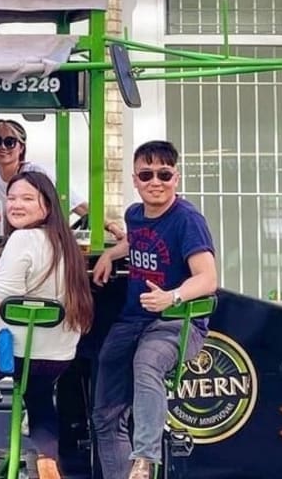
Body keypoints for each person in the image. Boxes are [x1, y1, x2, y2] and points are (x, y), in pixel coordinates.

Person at [0, 171, 93, 479]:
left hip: (11, 351)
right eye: (11, 198)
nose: (16, 205)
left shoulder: (22, 238)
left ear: (47, 205)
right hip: (57, 356)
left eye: (27, 198)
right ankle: (47, 461)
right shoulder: (67, 243)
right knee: (38, 395)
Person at [92, 140, 218, 479]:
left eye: (164, 174)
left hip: (178, 322)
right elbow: (134, 239)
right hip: (133, 319)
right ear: (135, 179)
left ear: (176, 177)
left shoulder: (188, 220)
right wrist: (109, 255)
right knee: (105, 412)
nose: (155, 182)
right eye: (146, 175)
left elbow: (208, 278)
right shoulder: (135, 214)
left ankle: (144, 459)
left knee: (146, 362)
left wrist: (172, 297)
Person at [0, 118, 115, 237]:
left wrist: (112, 227)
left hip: (42, 239)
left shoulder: (36, 172)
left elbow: (76, 204)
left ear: (21, 148)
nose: (2, 147)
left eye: (10, 142)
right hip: (13, 241)